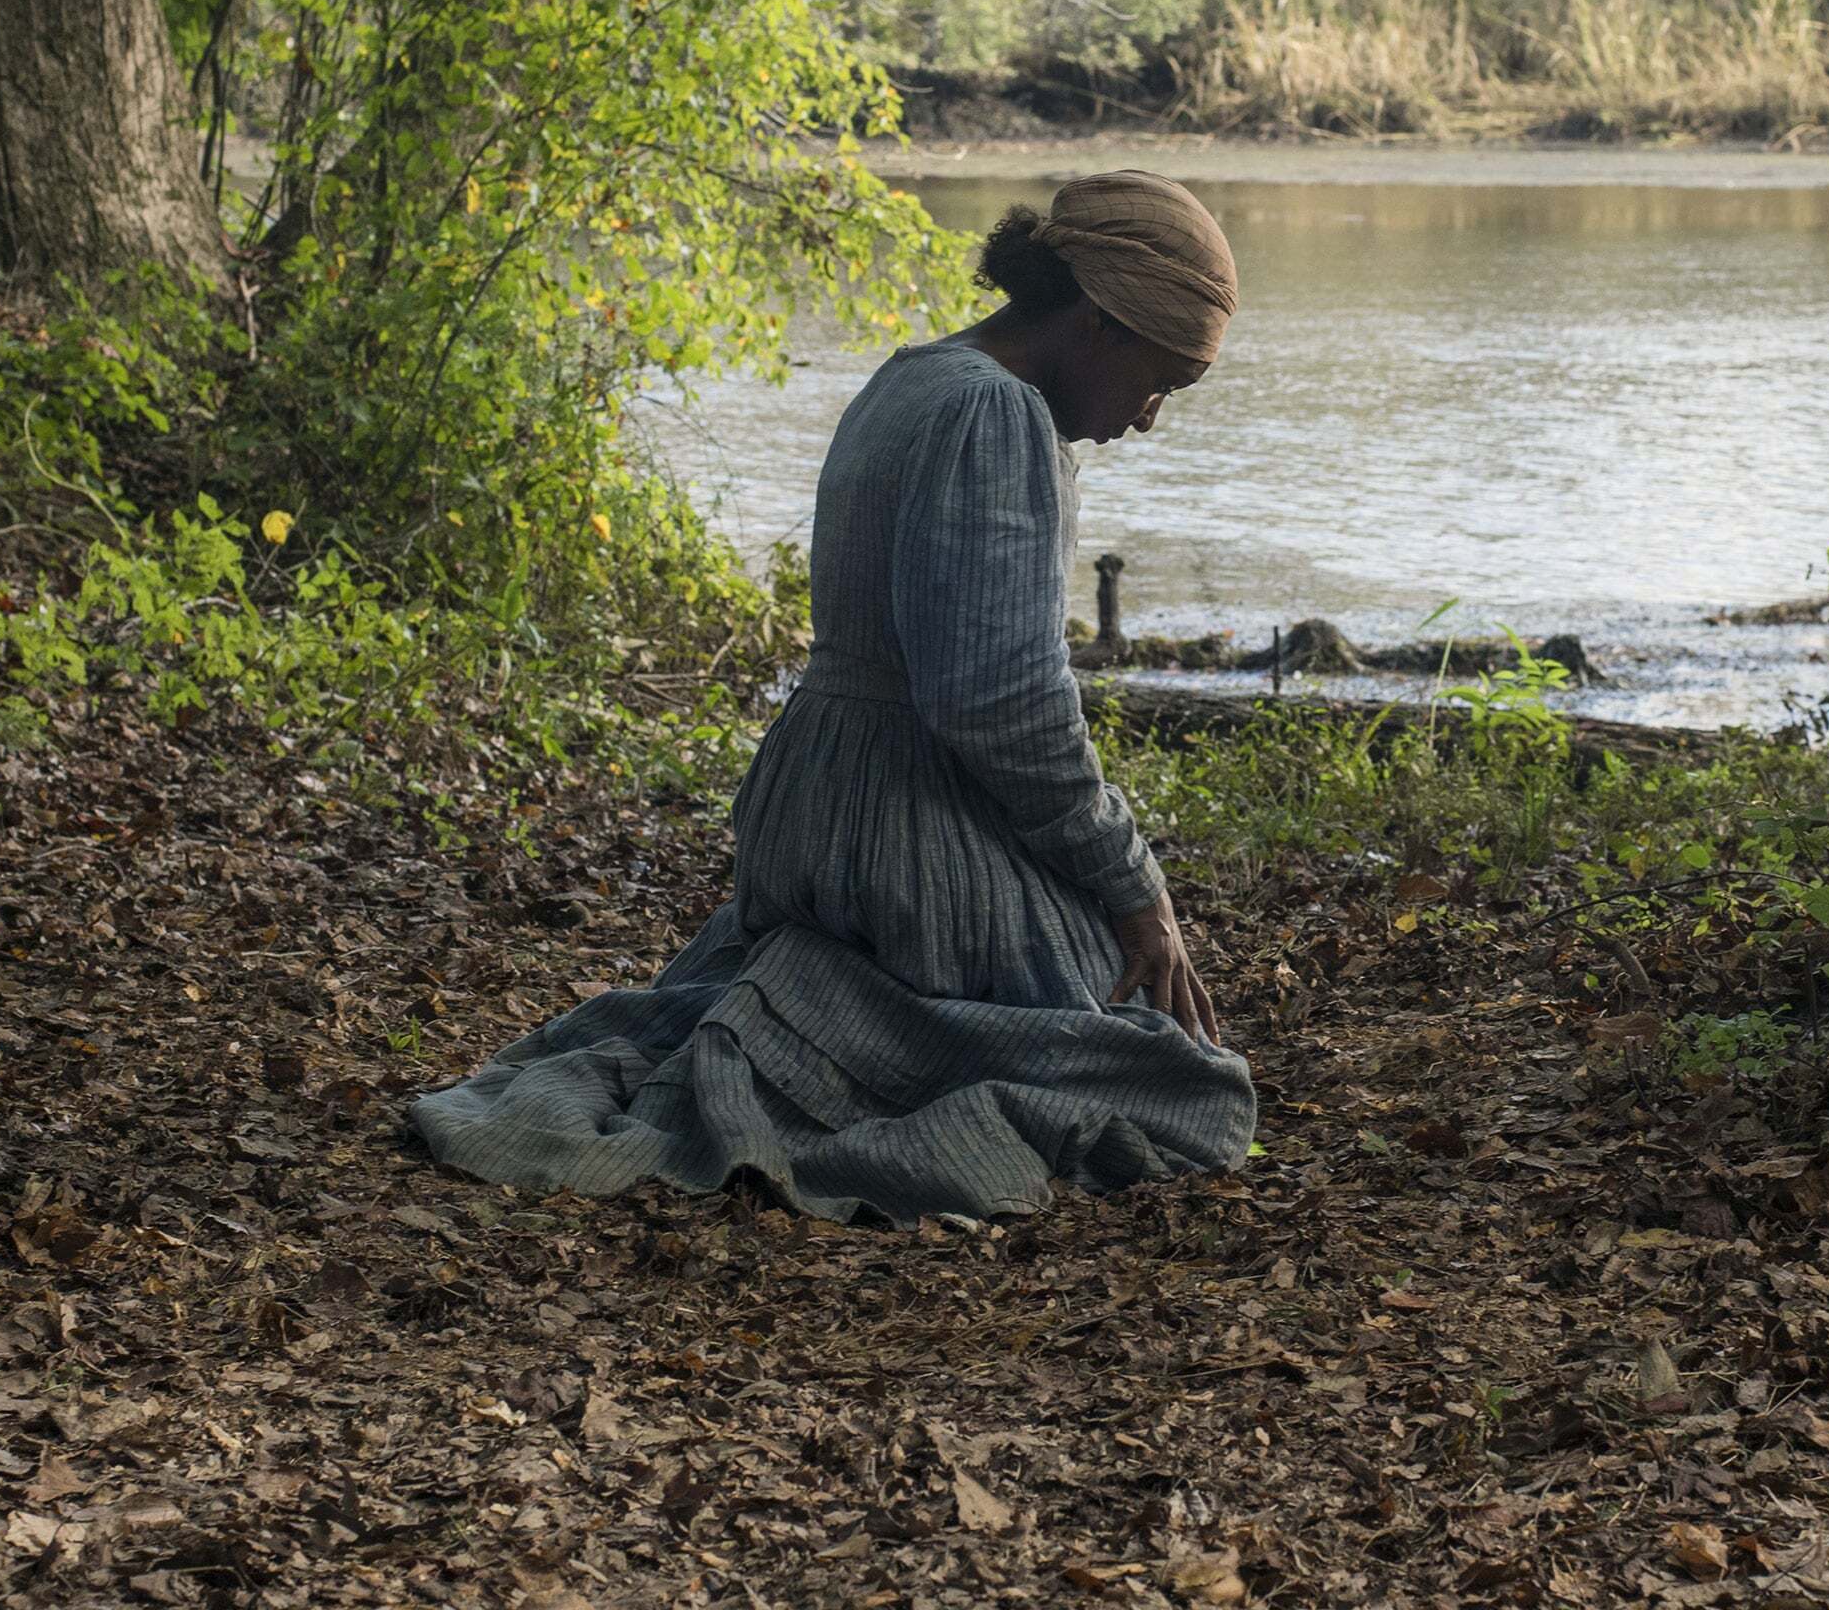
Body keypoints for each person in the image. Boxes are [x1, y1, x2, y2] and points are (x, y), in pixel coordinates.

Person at [409, 169, 1257, 1222]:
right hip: (902, 825)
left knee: (1093, 1004)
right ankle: (845, 1033)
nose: (1148, 419)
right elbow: (999, 702)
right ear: (1097, 321)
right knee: (1187, 1089)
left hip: (816, 799)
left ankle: (829, 1005)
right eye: (1159, 382)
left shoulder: (917, 377)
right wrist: (1133, 886)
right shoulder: (993, 413)